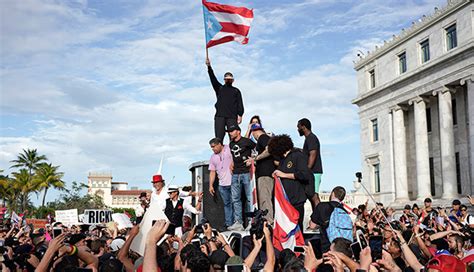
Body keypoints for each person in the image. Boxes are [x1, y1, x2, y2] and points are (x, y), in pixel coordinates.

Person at [268, 134, 313, 230]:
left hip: (296, 201)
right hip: (285, 203)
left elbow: (304, 175)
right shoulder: (283, 160)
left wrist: (284, 175)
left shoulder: (298, 156)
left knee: (297, 230)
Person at [206, 57, 244, 141]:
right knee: (218, 139)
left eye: (230, 79)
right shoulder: (219, 88)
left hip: (232, 117)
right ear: (224, 80)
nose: (228, 80)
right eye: (227, 78)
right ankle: (220, 154)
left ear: (233, 80)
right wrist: (209, 67)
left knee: (234, 138)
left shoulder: (236, 90)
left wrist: (240, 115)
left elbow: (240, 103)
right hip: (220, 116)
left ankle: (234, 153)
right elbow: (213, 78)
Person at [227, 125, 256, 231]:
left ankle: (251, 222)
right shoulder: (231, 144)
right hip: (235, 174)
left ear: (238, 131)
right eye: (229, 131)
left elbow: (257, 149)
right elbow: (234, 157)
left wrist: (253, 159)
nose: (230, 133)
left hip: (246, 173)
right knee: (235, 199)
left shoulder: (247, 141)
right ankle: (238, 222)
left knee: (249, 198)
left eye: (232, 131)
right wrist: (232, 164)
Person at [246, 123, 275, 224]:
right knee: (264, 199)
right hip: (265, 175)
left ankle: (268, 223)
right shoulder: (264, 138)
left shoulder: (263, 137)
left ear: (254, 132)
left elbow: (269, 150)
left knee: (265, 200)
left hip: (265, 175)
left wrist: (255, 158)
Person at [309, 186, 348, 252]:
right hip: (340, 249)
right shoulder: (344, 211)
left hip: (325, 246)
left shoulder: (322, 206)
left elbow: (312, 226)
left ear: (332, 193)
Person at [208, 137, 234, 230]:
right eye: (211, 147)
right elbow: (212, 172)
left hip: (233, 182)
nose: (213, 149)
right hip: (222, 185)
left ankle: (237, 222)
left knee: (236, 203)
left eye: (214, 146)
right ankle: (229, 223)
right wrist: (210, 185)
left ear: (220, 144)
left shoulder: (229, 148)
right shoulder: (212, 157)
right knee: (227, 204)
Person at [297, 118, 323, 207]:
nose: (298, 129)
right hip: (313, 172)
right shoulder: (309, 139)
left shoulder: (311, 138)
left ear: (303, 127)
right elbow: (308, 152)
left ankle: (320, 217)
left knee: (314, 195)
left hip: (314, 172)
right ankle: (316, 216)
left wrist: (307, 169)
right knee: (311, 195)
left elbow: (313, 154)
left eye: (298, 127)